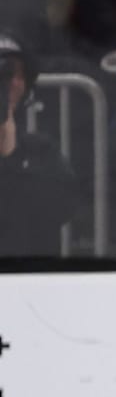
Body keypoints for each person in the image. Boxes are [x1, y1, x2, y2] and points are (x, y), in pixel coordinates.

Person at [0, 31, 84, 257]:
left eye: (21, 75)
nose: (14, 83)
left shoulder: (42, 152)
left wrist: (11, 154)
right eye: (5, 74)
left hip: (32, 273)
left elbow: (60, 210)